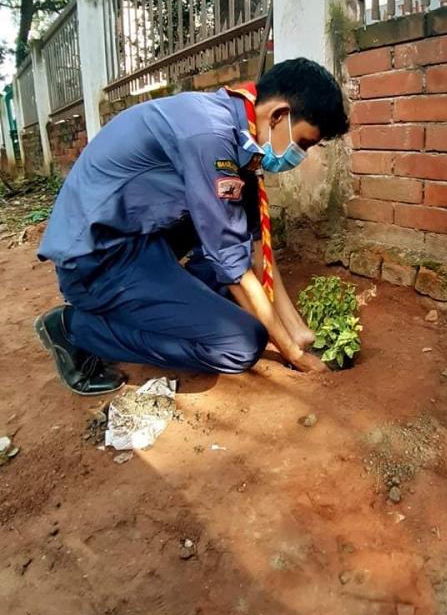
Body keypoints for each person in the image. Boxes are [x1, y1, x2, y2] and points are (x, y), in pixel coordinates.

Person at [35, 57, 348, 396]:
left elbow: (255, 244)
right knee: (241, 342)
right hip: (97, 261)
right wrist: (293, 353)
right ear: (279, 116)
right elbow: (232, 262)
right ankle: (75, 329)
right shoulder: (211, 136)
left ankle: (170, 301)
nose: (298, 155)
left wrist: (297, 330)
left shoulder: (240, 130)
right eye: (302, 143)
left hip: (139, 239)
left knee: (230, 260)